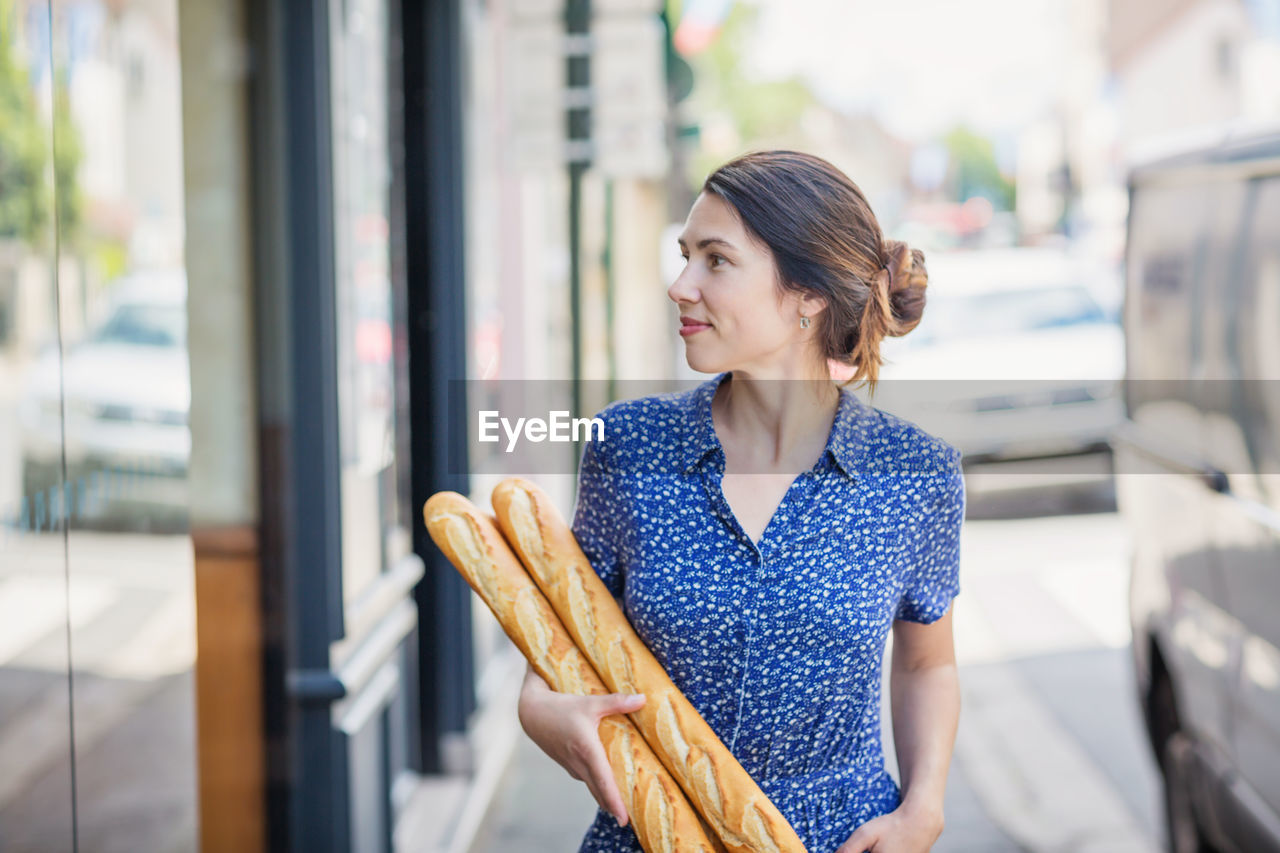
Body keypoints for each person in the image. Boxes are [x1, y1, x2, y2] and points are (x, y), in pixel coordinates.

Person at [517, 150, 965, 853]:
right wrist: (544, 712)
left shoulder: (915, 473)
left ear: (808, 296)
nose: (680, 285)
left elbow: (925, 661)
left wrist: (924, 807)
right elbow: (554, 649)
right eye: (684, 255)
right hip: (652, 835)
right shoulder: (628, 448)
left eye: (715, 260)